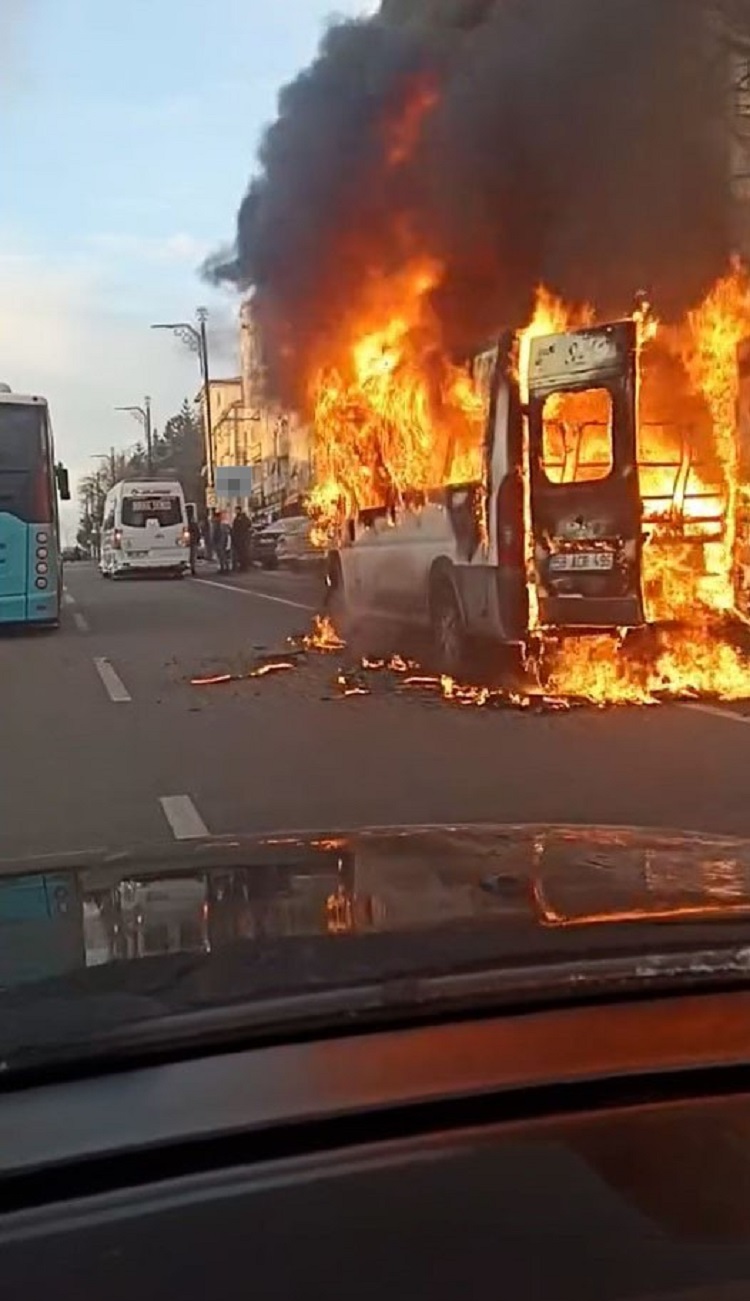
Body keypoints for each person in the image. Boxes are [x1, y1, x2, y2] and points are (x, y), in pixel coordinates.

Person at [231, 505, 252, 573]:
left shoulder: (242, 518)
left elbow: (247, 525)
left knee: (243, 552)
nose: (236, 511)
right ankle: (242, 566)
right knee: (240, 553)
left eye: (236, 510)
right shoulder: (237, 518)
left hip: (242, 538)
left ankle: (244, 566)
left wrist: (242, 531)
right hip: (238, 538)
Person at [212, 509, 231, 574]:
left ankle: (224, 568)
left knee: (221, 556)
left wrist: (215, 542)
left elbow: (216, 534)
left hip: (219, 542)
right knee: (222, 556)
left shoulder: (218, 525)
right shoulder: (222, 524)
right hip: (222, 542)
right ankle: (225, 567)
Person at [186, 503, 201, 576]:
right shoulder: (193, 524)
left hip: (189, 541)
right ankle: (192, 568)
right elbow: (198, 533)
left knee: (191, 556)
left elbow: (197, 533)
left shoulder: (188, 524)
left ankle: (192, 568)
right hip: (192, 541)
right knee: (192, 556)